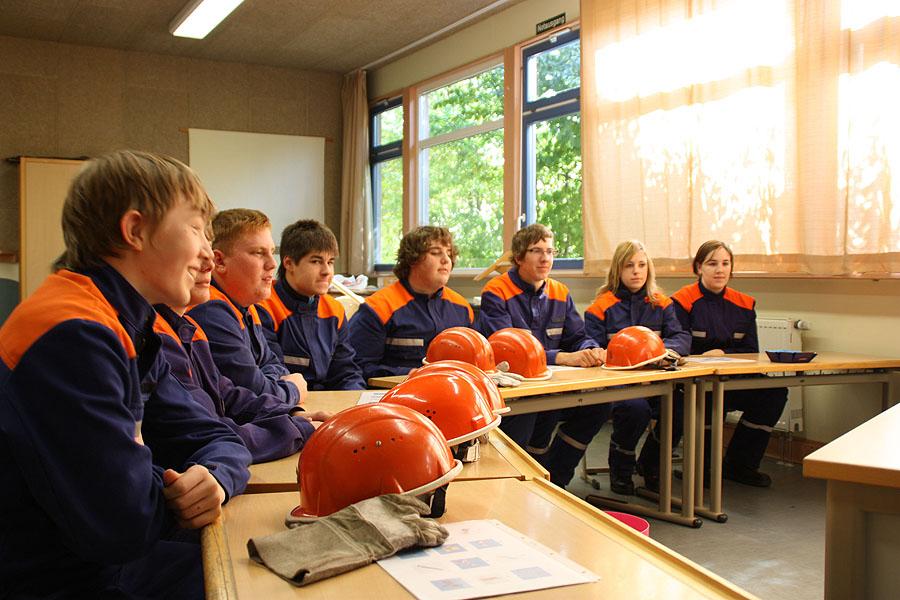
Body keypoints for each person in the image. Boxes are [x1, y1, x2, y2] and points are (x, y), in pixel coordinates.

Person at [0, 150, 252, 598]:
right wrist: (178, 489)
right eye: (195, 227)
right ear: (135, 230)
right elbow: (123, 523)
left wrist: (215, 476)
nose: (208, 253)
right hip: (60, 580)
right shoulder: (72, 332)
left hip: (102, 563)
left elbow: (219, 437)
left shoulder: (127, 323)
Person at [154, 245, 331, 463]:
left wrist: (289, 413)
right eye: (258, 253)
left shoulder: (190, 325)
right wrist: (294, 418)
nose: (208, 261)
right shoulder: (209, 313)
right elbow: (206, 432)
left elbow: (229, 394)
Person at [638, 240, 788, 488]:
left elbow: (751, 351)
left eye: (725, 264)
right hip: (694, 381)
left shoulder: (745, 303)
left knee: (773, 393)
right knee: (698, 399)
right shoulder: (682, 301)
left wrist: (723, 351)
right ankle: (660, 463)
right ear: (698, 268)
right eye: (712, 263)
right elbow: (678, 346)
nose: (720, 270)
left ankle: (740, 465)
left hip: (733, 378)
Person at [478, 223, 606, 488]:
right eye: (537, 251)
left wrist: (590, 350)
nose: (545, 258)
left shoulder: (560, 291)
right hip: (517, 390)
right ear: (519, 257)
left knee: (601, 405)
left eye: (550, 251)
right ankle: (521, 486)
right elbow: (509, 352)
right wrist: (562, 357)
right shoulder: (496, 291)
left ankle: (556, 479)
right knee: (535, 416)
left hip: (553, 387)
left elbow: (578, 336)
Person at [584, 239, 690, 495]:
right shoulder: (599, 308)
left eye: (642, 265)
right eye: (629, 265)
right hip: (618, 385)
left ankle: (651, 465)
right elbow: (593, 349)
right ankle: (621, 469)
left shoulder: (662, 304)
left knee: (681, 406)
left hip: (657, 381)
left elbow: (681, 337)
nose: (636, 271)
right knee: (635, 408)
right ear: (617, 270)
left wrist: (663, 353)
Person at [188, 208, 306, 406]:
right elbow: (256, 392)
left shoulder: (247, 307)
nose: (272, 264)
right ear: (219, 261)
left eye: (272, 252)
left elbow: (273, 364)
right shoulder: (210, 312)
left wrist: (275, 384)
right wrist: (293, 390)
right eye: (259, 253)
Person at [348, 226, 474, 380]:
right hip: (398, 393)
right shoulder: (379, 307)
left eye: (449, 254)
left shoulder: (462, 308)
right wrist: (407, 374)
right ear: (412, 259)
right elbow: (356, 367)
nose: (446, 260)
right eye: (435, 252)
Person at [257, 220, 365, 390]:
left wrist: (358, 401)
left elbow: (346, 371)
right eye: (316, 261)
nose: (327, 271)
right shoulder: (264, 307)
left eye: (330, 262)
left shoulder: (334, 309)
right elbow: (273, 374)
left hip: (328, 404)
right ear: (289, 264)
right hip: (289, 404)